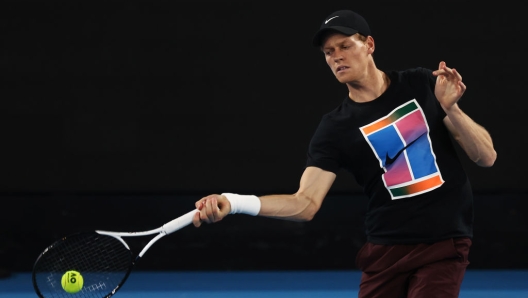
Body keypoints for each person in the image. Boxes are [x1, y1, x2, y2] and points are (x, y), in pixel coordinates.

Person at [192, 9, 496, 298]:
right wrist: (233, 202)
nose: (336, 56)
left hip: (444, 242)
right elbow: (305, 203)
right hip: (386, 249)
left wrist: (451, 108)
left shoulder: (421, 84)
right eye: (328, 52)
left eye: (345, 46)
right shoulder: (334, 128)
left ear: (369, 45)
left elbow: (486, 156)